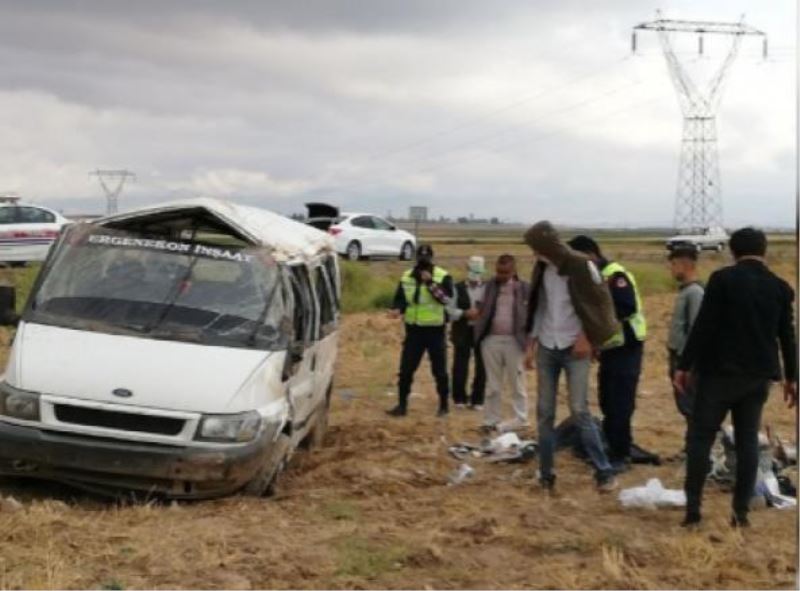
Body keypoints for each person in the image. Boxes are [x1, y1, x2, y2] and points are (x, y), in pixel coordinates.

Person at [675, 227, 797, 528]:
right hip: (757, 378)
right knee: (747, 442)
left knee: (701, 438)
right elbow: (787, 337)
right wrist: (792, 378)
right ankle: (740, 514)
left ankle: (693, 512)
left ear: (732, 251)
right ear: (764, 250)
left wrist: (684, 364)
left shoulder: (722, 280)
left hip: (718, 374)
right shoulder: (780, 288)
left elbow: (704, 326)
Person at [523, 221, 618, 493]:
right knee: (544, 412)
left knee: (579, 410)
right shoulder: (542, 268)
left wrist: (588, 337)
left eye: (535, 248)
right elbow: (539, 307)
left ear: (547, 247)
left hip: (576, 348)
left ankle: (604, 471)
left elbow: (601, 305)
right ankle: (546, 473)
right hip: (548, 346)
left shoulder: (581, 265)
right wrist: (531, 344)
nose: (533, 254)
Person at [567, 235, 647, 473]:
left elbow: (626, 307)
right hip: (610, 349)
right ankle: (613, 448)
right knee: (607, 401)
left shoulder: (615, 275)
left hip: (627, 347)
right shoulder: (595, 276)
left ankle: (621, 455)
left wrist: (596, 328)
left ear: (591, 253)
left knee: (620, 404)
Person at [387, 244, 454, 418]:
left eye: (426, 258)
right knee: (406, 370)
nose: (423, 262)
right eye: (420, 258)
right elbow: (400, 299)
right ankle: (402, 406)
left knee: (439, 371)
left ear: (432, 259)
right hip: (414, 330)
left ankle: (444, 406)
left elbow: (446, 300)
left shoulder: (442, 276)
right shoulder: (407, 277)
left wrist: (430, 283)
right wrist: (396, 309)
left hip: (435, 330)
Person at [473, 254, 531, 431]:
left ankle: (521, 419)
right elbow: (479, 307)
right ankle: (491, 420)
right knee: (493, 384)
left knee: (517, 382)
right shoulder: (489, 286)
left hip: (515, 340)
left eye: (505, 272)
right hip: (491, 340)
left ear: (514, 271)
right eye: (499, 271)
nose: (501, 275)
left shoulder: (524, 288)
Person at [666, 247, 704, 431]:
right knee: (685, 404)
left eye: (674, 264)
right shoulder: (685, 291)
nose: (671, 269)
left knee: (691, 405)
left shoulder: (694, 293)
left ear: (686, 264)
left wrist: (686, 363)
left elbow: (695, 329)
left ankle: (696, 448)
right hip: (679, 356)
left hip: (685, 359)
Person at [450, 256, 486, 410]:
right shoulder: (456, 288)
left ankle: (478, 399)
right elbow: (449, 310)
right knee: (460, 365)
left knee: (482, 366)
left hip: (481, 332)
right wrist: (464, 313)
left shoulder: (488, 288)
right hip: (462, 330)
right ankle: (459, 398)